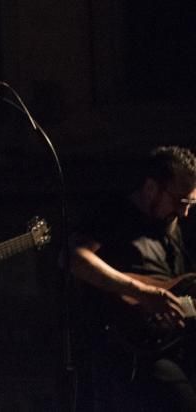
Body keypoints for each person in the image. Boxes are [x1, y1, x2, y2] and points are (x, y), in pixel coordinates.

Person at [69, 145, 196, 411]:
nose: (185, 213)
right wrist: (141, 293)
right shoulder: (113, 213)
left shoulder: (172, 228)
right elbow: (75, 259)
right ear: (151, 187)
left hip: (173, 344)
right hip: (130, 352)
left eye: (191, 204)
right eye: (180, 202)